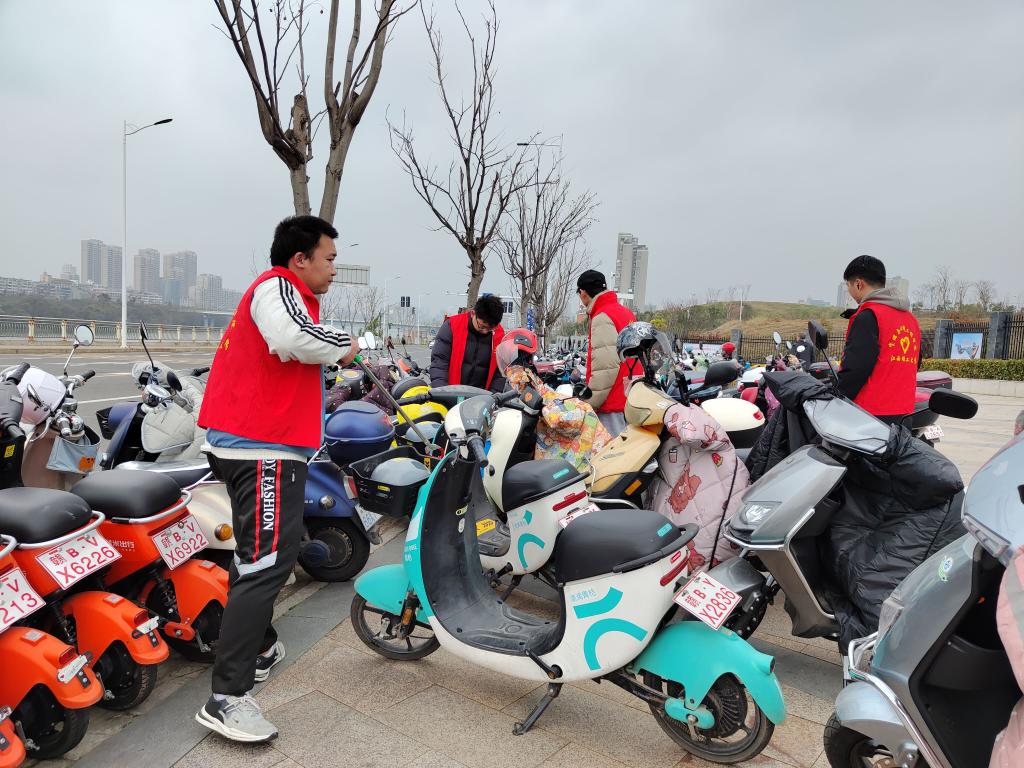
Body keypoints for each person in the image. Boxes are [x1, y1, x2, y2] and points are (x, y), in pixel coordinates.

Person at [195, 215, 357, 743]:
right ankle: (226, 699)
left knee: (256, 558)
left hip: (260, 446)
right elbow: (291, 338)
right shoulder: (277, 286)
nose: (334, 268)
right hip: (261, 449)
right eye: (329, 258)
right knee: (266, 564)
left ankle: (259, 646)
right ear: (299, 259)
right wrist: (346, 344)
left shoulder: (292, 294)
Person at [496, 328, 611, 473]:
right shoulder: (521, 374)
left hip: (543, 408)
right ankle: (587, 464)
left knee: (585, 411)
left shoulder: (519, 373)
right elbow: (534, 399)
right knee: (586, 414)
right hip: (542, 412)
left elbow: (536, 397)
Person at [837, 255, 921, 421]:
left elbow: (856, 368)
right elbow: (916, 362)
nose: (849, 291)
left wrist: (837, 397)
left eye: (849, 286)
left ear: (858, 284)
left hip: (870, 414)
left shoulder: (868, 316)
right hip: (904, 412)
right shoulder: (911, 320)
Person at [576, 269, 635, 435]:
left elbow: (606, 368)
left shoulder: (602, 316)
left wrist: (590, 404)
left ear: (583, 292)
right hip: (630, 399)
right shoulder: (626, 313)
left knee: (610, 450)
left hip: (612, 404)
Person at [429, 294, 506, 392]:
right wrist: (441, 391)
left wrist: (493, 396)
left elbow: (500, 372)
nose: (485, 331)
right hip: (450, 392)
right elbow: (440, 362)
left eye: (490, 328)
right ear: (473, 313)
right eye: (482, 327)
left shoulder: (499, 335)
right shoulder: (452, 326)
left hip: (482, 397)